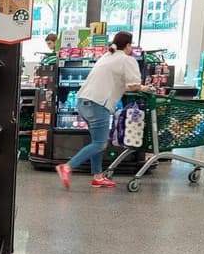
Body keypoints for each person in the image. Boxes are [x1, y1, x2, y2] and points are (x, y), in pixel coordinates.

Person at [55, 31, 153, 189]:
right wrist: (145, 88)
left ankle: (98, 176)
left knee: (97, 141)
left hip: (83, 101)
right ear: (128, 45)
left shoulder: (107, 56)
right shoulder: (127, 60)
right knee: (100, 144)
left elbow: (121, 83)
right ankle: (67, 167)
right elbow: (134, 85)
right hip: (98, 104)